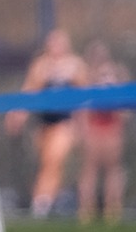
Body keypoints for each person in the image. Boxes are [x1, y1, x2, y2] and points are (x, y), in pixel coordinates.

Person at [5, 29, 89, 218]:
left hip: (65, 122)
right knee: (47, 163)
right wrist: (18, 114)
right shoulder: (41, 65)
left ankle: (42, 202)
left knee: (54, 160)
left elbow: (84, 95)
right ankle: (45, 199)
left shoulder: (75, 65)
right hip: (44, 123)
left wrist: (82, 124)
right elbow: (30, 90)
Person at [75, 41, 127, 224]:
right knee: (89, 170)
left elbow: (124, 107)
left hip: (111, 130)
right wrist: (83, 130)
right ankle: (85, 209)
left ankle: (112, 208)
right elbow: (82, 107)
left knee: (113, 170)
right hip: (93, 129)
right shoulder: (86, 78)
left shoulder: (117, 75)